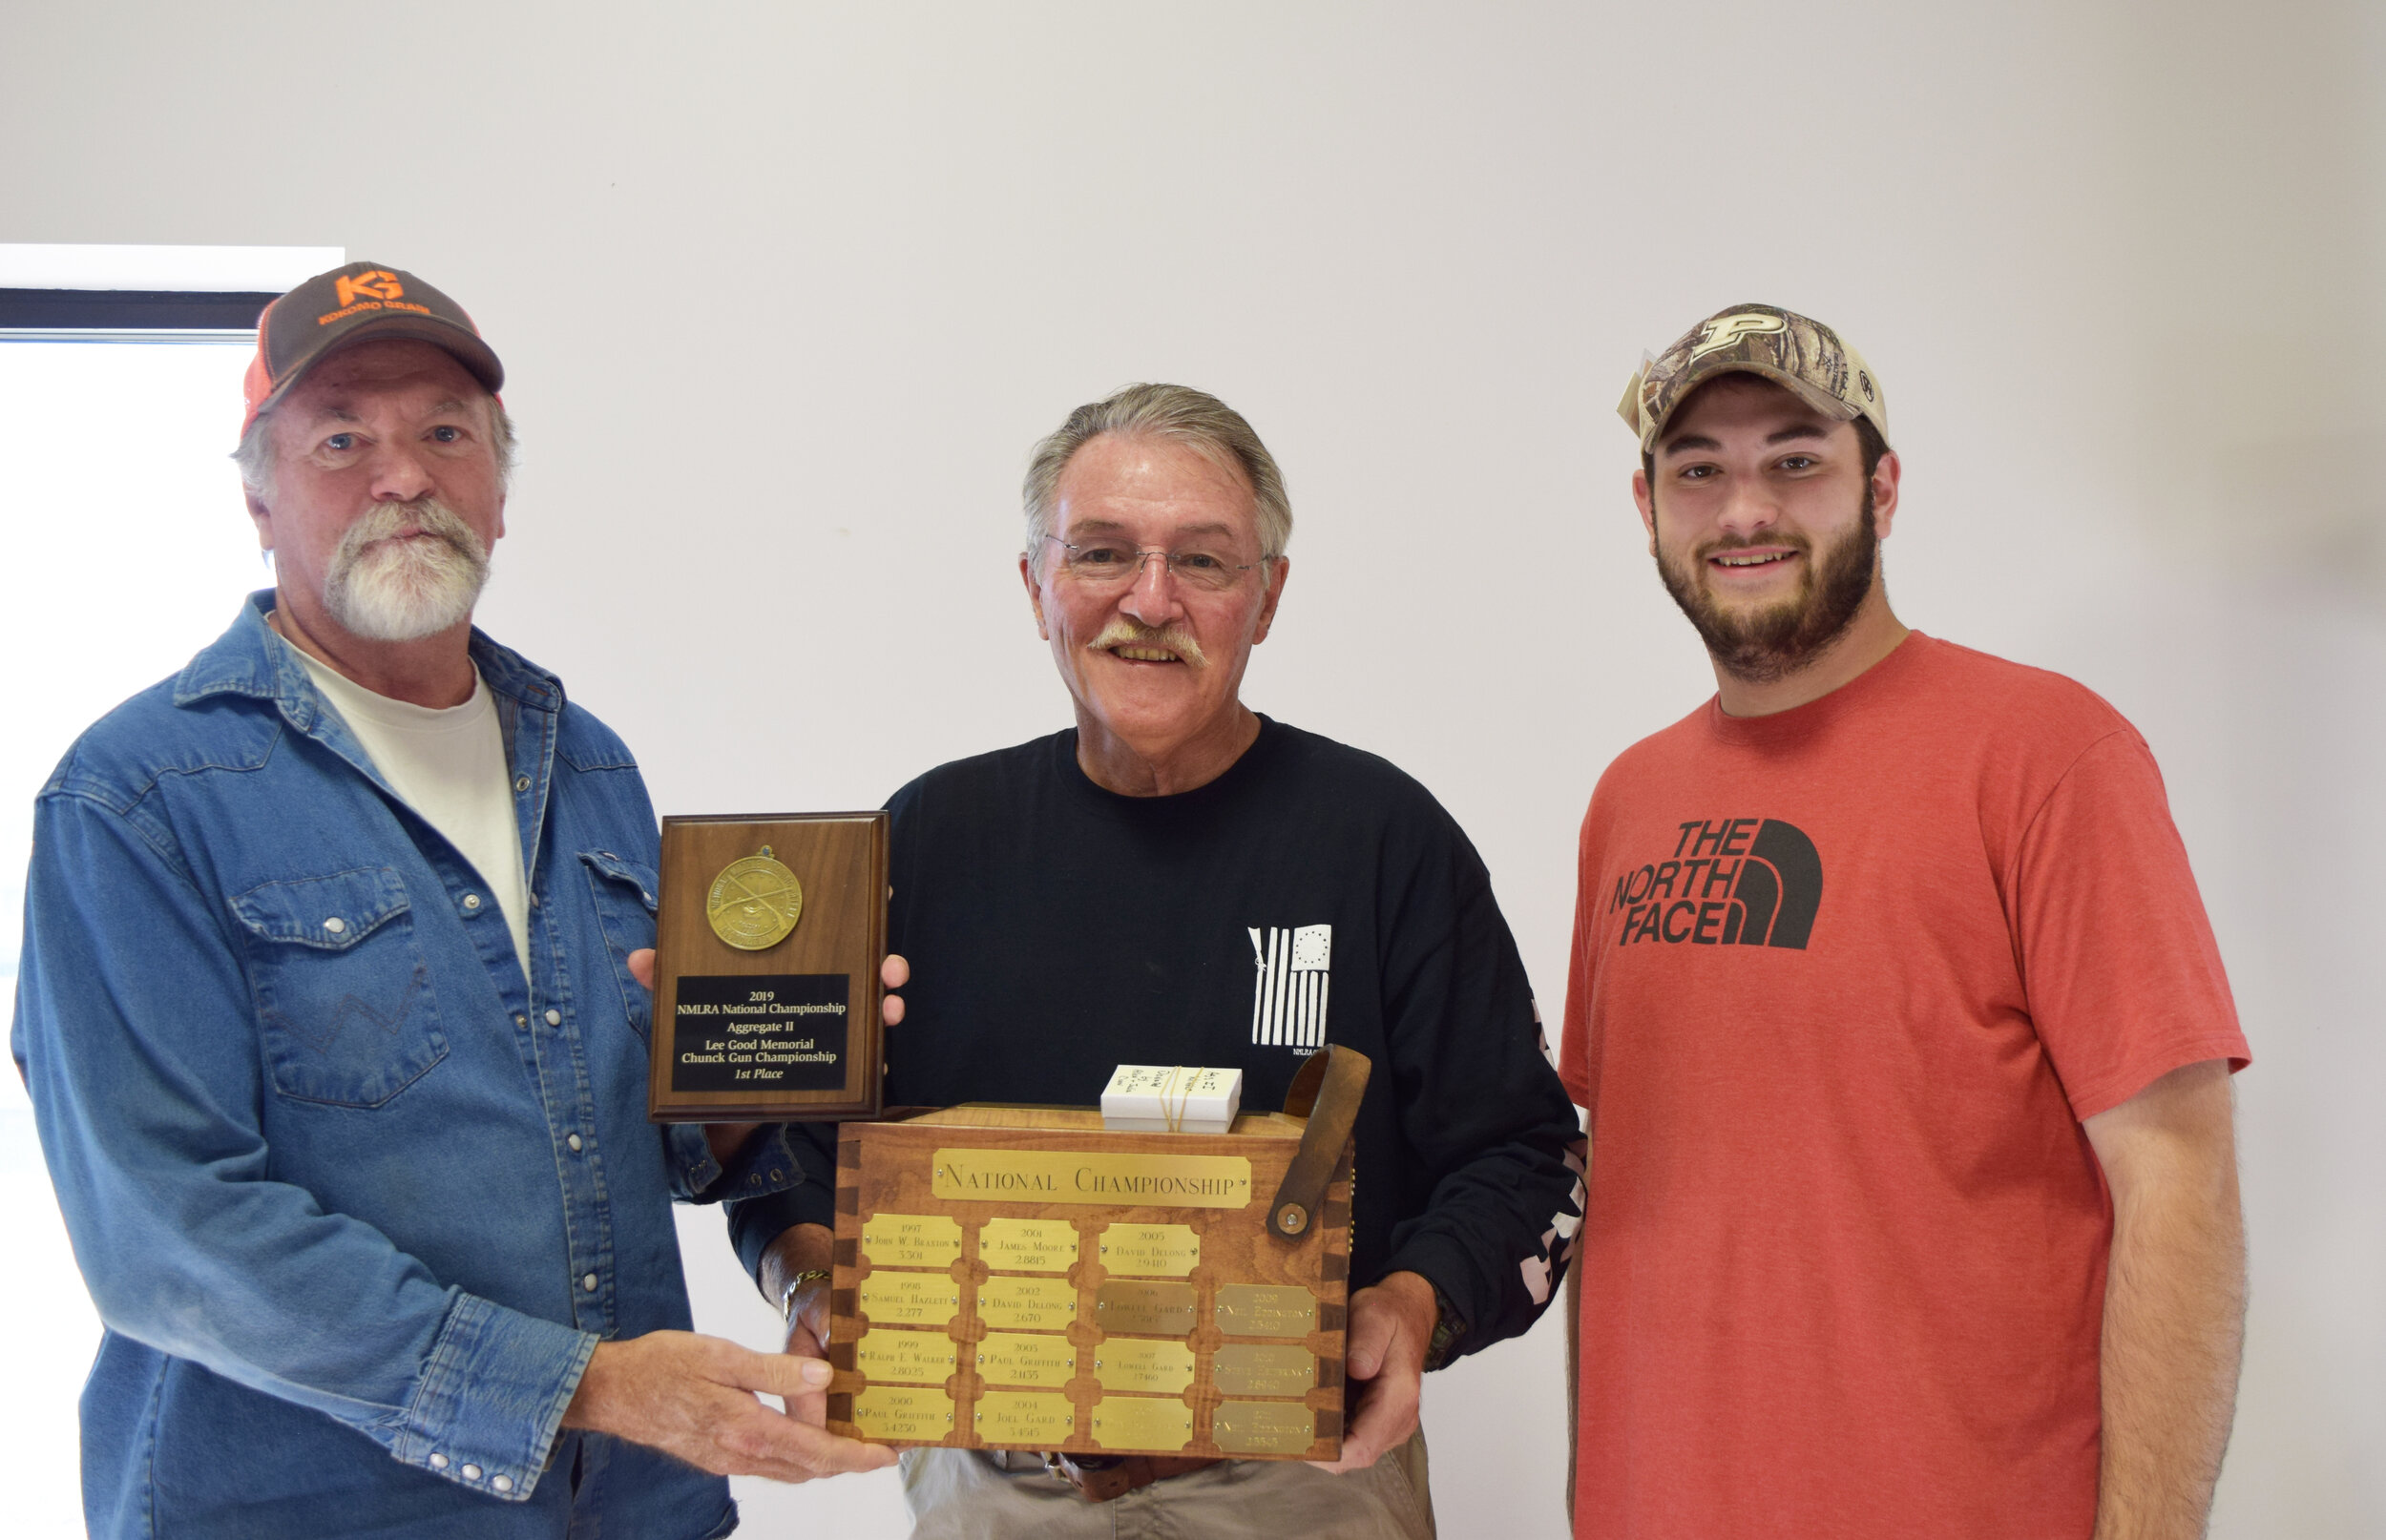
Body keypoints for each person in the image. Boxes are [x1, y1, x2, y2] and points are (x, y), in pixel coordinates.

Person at [10, 260, 894, 1540]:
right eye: (341, 438)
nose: (404, 474)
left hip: (635, 1510)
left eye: (443, 431)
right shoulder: (135, 800)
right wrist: (585, 1385)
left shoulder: (587, 761)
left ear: (498, 485)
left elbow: (646, 1131)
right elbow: (171, 1230)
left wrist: (785, 1075)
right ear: (259, 496)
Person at [723, 383, 1583, 1536]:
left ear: (1268, 597)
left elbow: (1524, 1149)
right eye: (1103, 553)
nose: (1151, 599)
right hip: (992, 1486)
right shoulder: (925, 839)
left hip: (1304, 1485)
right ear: (1034, 586)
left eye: (1205, 562)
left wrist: (1414, 1304)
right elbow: (790, 1144)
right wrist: (816, 1278)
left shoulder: (1382, 837)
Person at [1559, 303, 2250, 1539]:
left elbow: (2178, 1177)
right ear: (1647, 505)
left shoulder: (2045, 755)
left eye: (1795, 459)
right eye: (1698, 468)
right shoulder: (1629, 800)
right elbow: (1621, 1186)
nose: (1745, 509)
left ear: (1882, 489)